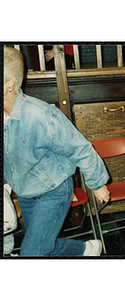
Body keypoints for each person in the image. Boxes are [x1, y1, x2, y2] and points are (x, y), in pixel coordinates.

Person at [3, 46, 110, 256]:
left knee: (32, 252)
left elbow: (81, 148)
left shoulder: (42, 116)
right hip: (25, 191)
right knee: (44, 247)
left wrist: (97, 183)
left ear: (9, 83)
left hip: (53, 190)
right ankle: (86, 249)